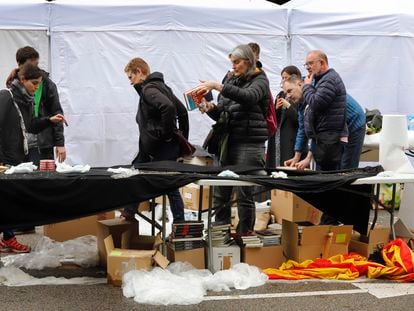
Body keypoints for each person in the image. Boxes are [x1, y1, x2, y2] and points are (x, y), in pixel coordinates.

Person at [194, 44, 270, 235]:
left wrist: (218, 86)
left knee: (244, 194)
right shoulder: (232, 80)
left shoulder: (260, 79)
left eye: (237, 62)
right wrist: (211, 108)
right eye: (232, 62)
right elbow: (224, 113)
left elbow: (249, 97)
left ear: (248, 61)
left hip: (249, 144)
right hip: (227, 143)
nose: (233, 66)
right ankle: (221, 237)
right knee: (220, 193)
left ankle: (244, 236)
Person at [0, 63, 67, 252]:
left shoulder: (27, 100)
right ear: (22, 80)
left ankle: (8, 238)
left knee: (10, 200)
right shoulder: (6, 96)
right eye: (34, 84)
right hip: (5, 159)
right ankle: (8, 238)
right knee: (6, 200)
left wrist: (49, 120)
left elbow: (30, 126)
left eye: (38, 85)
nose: (36, 88)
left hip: (17, 157)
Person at [122, 57, 186, 223]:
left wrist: (165, 135)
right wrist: (181, 138)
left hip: (159, 147)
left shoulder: (149, 90)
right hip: (155, 147)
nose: (130, 82)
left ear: (139, 72)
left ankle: (180, 225)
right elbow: (183, 112)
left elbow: (169, 108)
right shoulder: (163, 88)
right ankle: (129, 212)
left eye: (131, 77)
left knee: (170, 186)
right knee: (135, 172)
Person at [285, 50, 347, 171]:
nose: (307, 67)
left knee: (328, 178)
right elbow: (305, 125)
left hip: (330, 140)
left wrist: (307, 86)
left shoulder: (329, 80)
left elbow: (316, 103)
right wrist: (299, 156)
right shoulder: (321, 80)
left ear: (322, 63)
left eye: (310, 63)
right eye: (306, 64)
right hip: (325, 140)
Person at [6, 46, 66, 165]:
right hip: (19, 144)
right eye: (31, 64)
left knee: (42, 179)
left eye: (36, 64)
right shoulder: (12, 86)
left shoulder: (47, 84)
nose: (34, 67)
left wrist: (60, 143)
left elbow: (56, 111)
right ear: (20, 65)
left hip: (42, 143)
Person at [274, 66, 303, 166]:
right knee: (277, 161)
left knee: (287, 162)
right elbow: (274, 118)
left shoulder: (298, 95)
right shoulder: (281, 95)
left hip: (291, 136)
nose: (283, 80)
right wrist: (276, 109)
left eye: (285, 77)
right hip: (278, 135)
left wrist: (288, 106)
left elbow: (299, 119)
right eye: (282, 78)